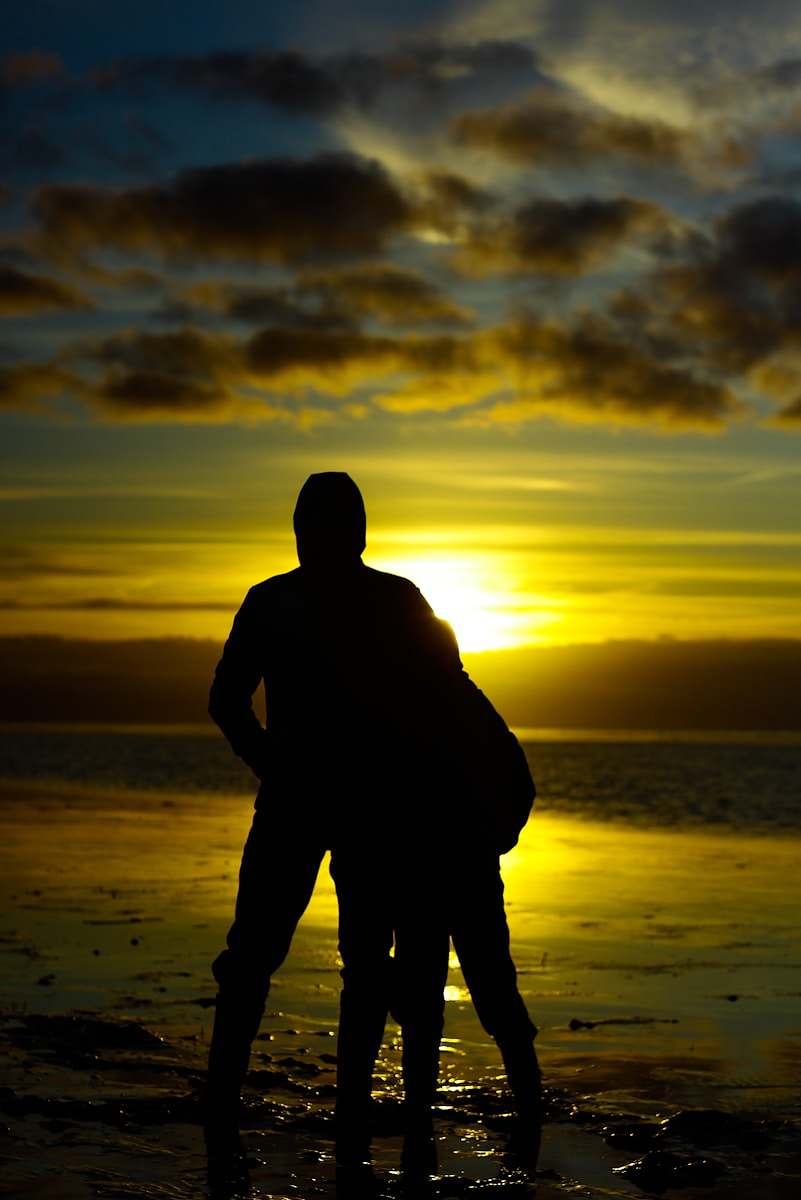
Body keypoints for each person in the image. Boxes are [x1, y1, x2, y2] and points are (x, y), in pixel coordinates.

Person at [204, 471, 541, 1181]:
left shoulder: (386, 600)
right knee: (256, 959)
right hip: (308, 804)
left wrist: (507, 789)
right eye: (312, 523)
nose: (318, 536)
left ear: (349, 531)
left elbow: (459, 698)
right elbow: (226, 698)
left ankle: (344, 1122)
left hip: (377, 813)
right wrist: (270, 764)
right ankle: (225, 1114)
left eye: (325, 523)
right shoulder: (280, 601)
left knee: (357, 970)